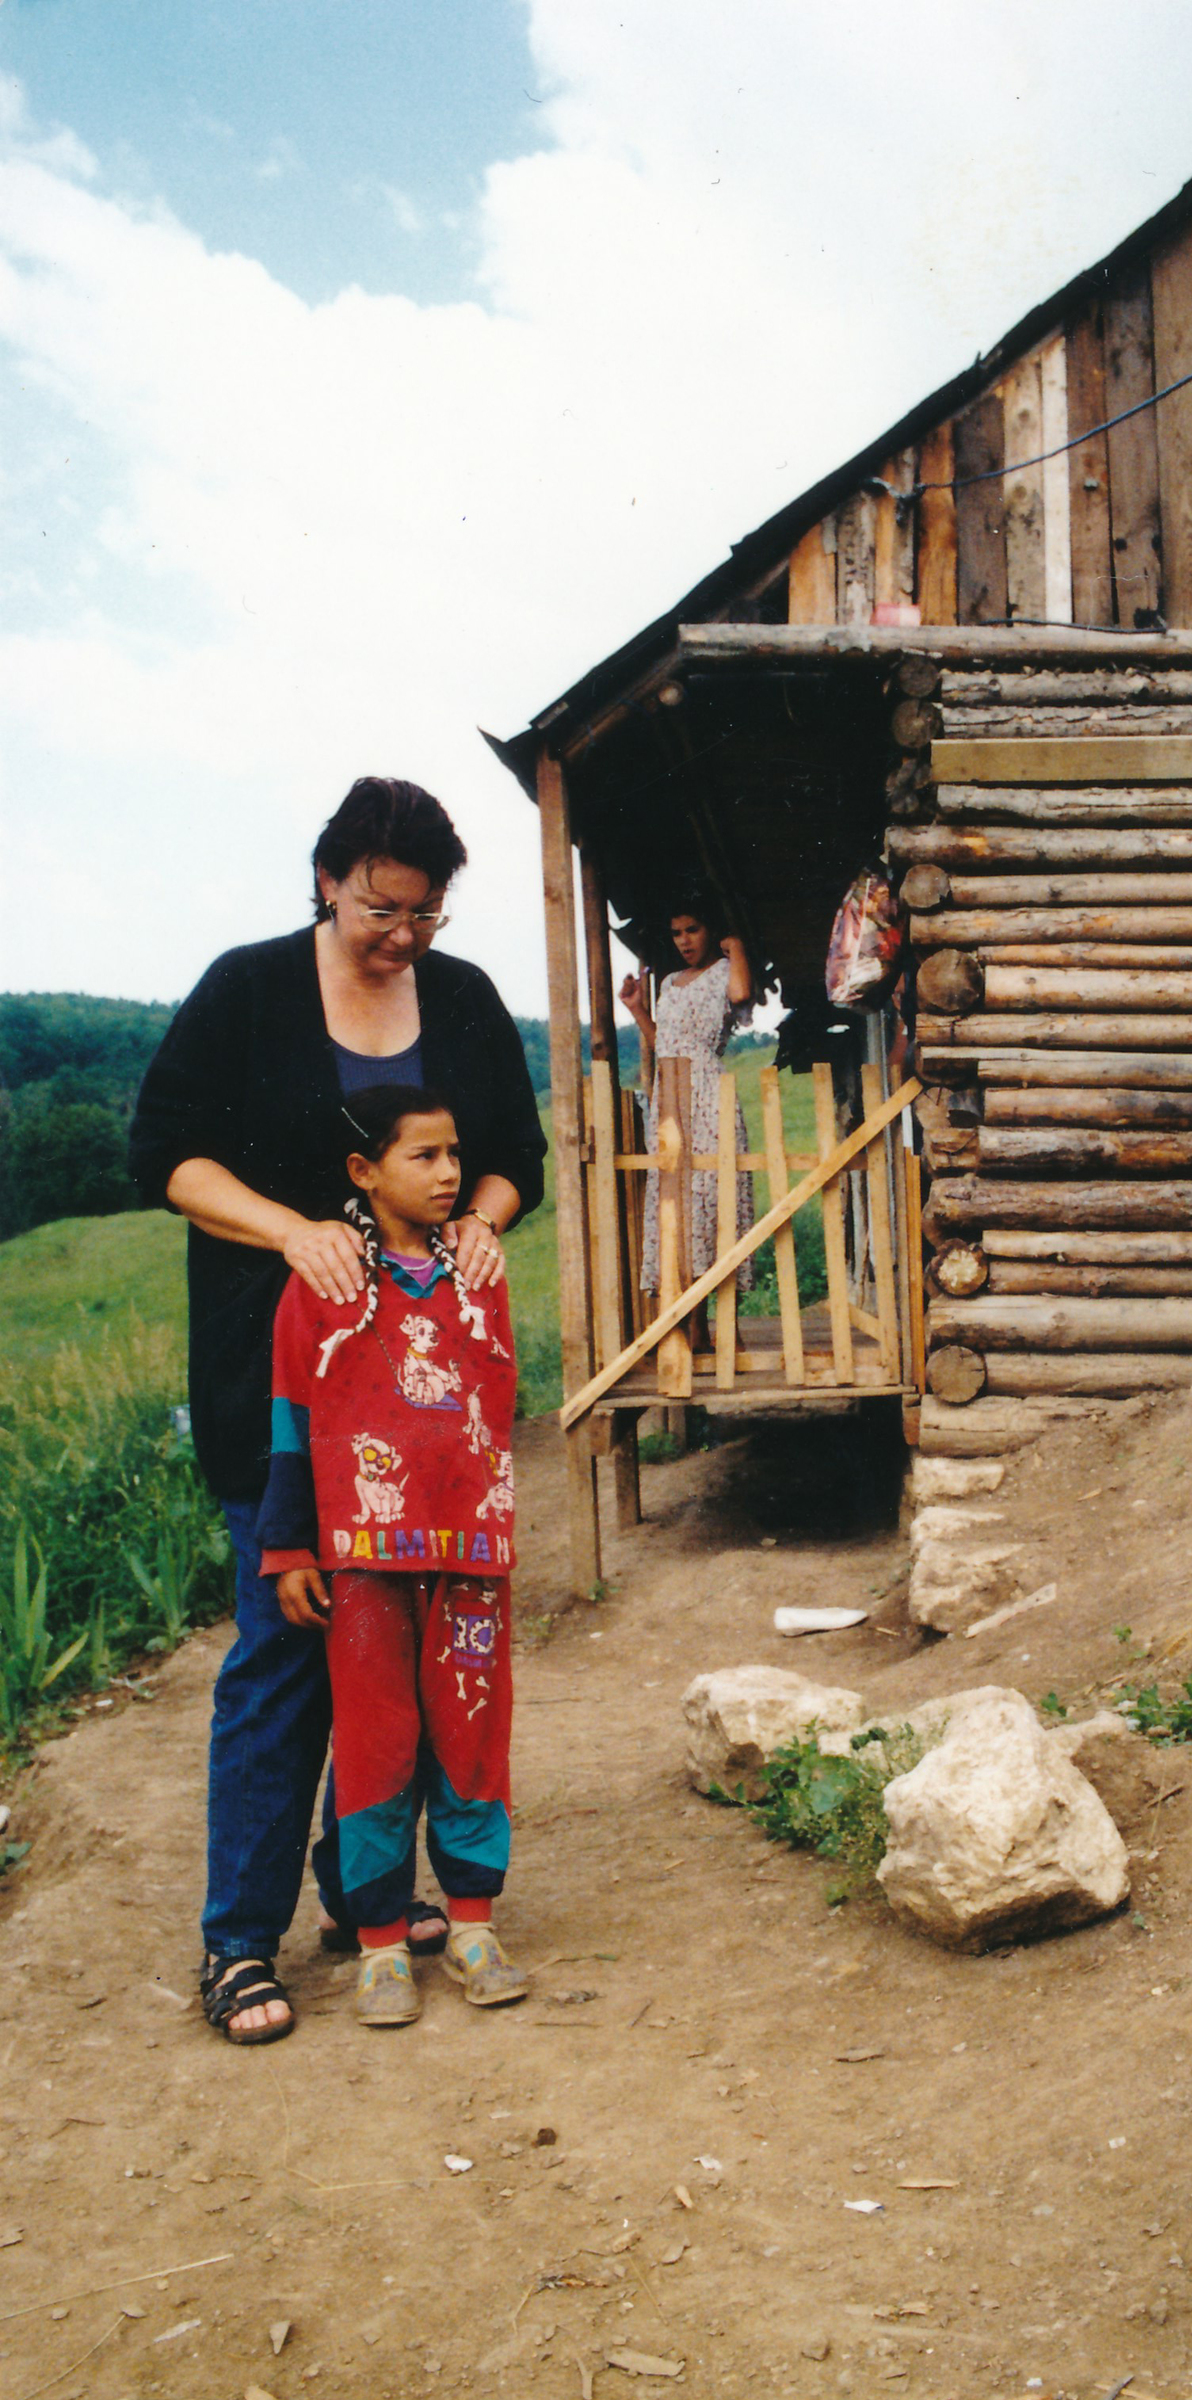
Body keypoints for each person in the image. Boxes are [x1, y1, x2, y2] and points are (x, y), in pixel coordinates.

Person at [129, 777, 546, 2045]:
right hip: (279, 1386)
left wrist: (480, 1225)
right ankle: (237, 1942)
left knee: (399, 1660)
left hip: (421, 1415)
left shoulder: (462, 999)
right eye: (380, 909)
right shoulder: (247, 988)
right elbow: (166, 1155)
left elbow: (512, 1160)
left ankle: (357, 1895)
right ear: (328, 881)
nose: (403, 935)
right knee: (284, 1645)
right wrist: (290, 1231)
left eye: (424, 913)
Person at [257, 1087, 527, 2027]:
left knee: (473, 1727)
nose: (450, 1173)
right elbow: (291, 1415)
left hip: (470, 1551)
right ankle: (378, 1940)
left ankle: (473, 1923)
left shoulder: (478, 1272)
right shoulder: (324, 1283)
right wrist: (289, 1544)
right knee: (376, 1738)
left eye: (455, 1153)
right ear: (364, 1172)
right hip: (364, 1557)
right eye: (424, 1156)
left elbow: (497, 1405)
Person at [619, 897, 755, 1344]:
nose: (684, 941)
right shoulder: (670, 983)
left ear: (710, 930)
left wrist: (737, 948)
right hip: (670, 1095)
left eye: (692, 930)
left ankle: (724, 1325)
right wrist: (637, 1008)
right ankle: (693, 1326)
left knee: (713, 1200)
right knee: (677, 1205)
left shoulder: (725, 971)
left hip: (707, 1093)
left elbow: (741, 995)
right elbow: (665, 1044)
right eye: (676, 933)